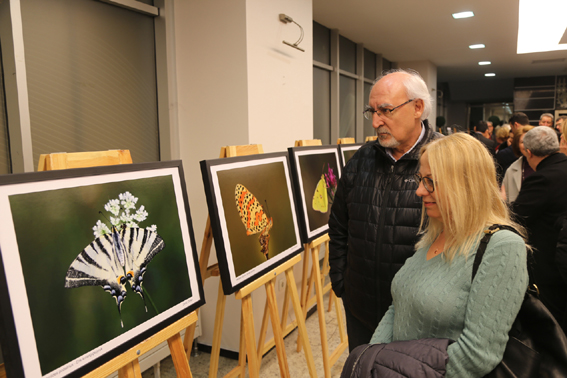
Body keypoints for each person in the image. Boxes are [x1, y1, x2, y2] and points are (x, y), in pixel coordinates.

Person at [370, 133, 528, 377]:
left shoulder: (502, 247)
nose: (419, 191)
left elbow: (477, 355)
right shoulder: (437, 231)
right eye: (420, 179)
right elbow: (398, 306)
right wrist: (374, 359)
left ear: (466, 184)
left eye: (431, 181)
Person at [328, 69, 442, 351]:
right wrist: (341, 280)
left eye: (386, 110)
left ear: (417, 108)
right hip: (361, 309)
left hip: (420, 315)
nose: (376, 121)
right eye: (372, 111)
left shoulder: (445, 158)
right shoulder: (362, 159)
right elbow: (339, 225)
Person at [512, 126, 567, 331]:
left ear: (529, 152)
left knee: (550, 323)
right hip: (562, 258)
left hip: (549, 262)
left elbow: (517, 216)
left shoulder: (542, 178)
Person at [500, 125, 534, 202]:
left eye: (530, 140)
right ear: (517, 145)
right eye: (522, 142)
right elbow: (505, 197)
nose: (526, 144)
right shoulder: (511, 169)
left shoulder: (548, 166)